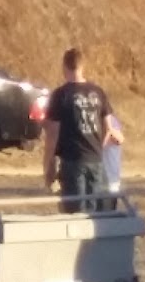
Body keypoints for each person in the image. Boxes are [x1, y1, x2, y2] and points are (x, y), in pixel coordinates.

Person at [41, 47, 123, 211]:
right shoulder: (98, 92)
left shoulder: (61, 95)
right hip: (96, 160)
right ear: (82, 66)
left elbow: (52, 134)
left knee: (75, 213)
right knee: (95, 214)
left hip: (73, 161)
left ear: (64, 66)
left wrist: (48, 165)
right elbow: (109, 128)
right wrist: (97, 149)